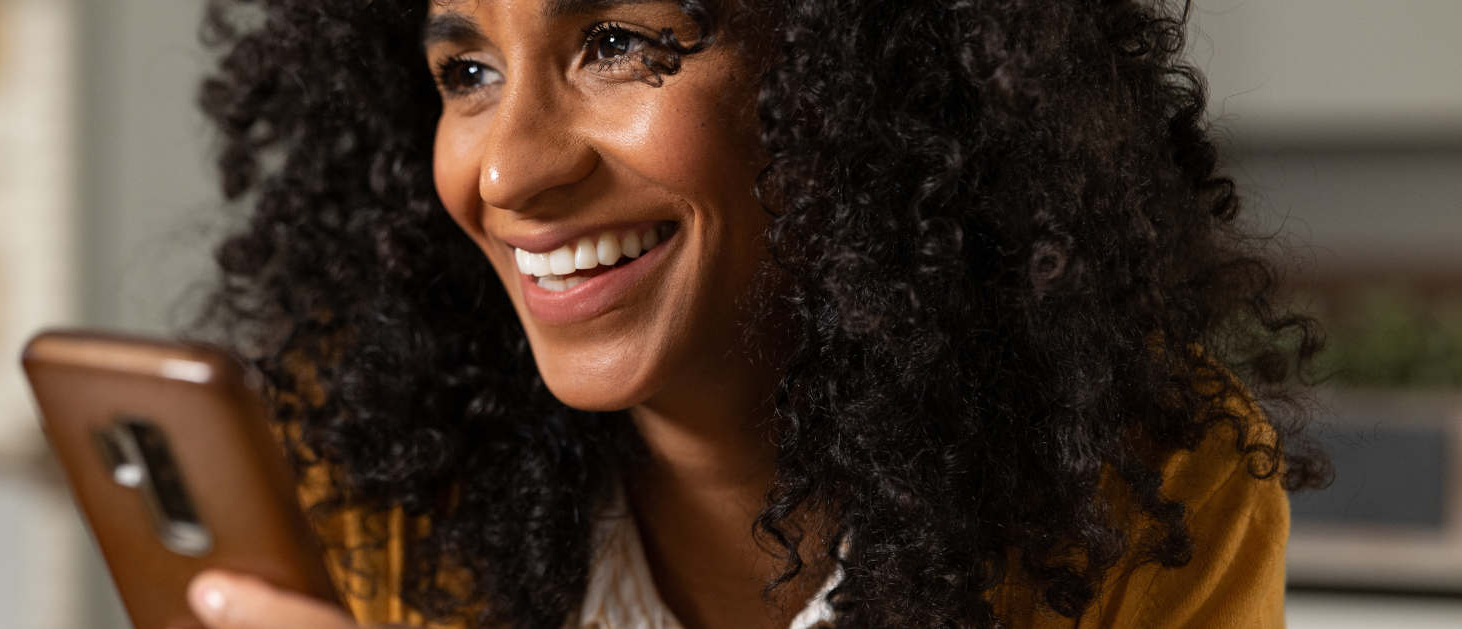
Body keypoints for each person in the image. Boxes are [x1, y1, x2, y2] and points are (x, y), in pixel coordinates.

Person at [185, 0, 1328, 627]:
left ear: (870, 69)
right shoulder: (380, 469)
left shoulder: (1144, 493)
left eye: (621, 43)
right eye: (467, 72)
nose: (509, 171)